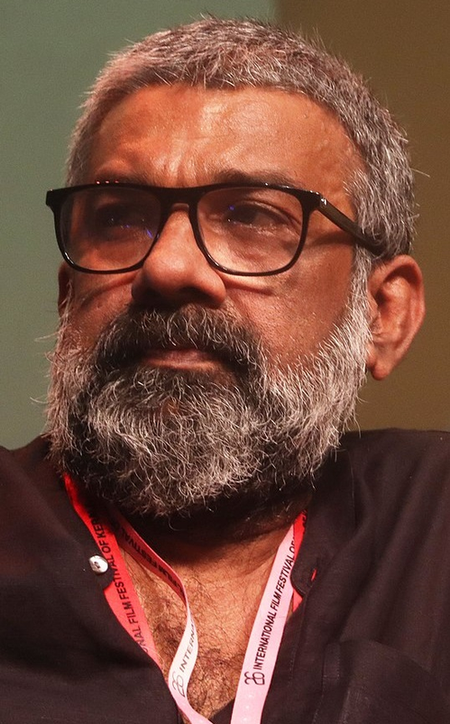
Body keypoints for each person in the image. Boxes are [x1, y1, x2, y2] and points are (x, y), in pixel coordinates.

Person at [1, 16, 449, 724]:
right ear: (68, 294)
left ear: (382, 315)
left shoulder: (432, 529)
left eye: (251, 216)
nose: (168, 266)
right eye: (120, 218)